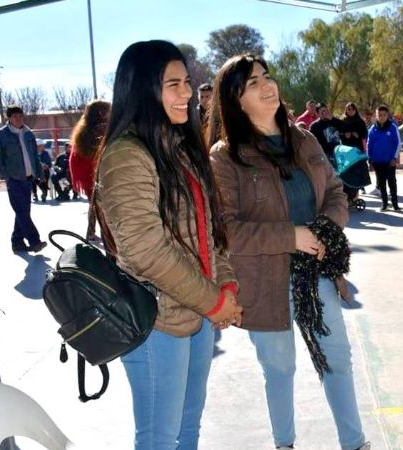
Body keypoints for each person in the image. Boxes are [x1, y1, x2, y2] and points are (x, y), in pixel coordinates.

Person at [209, 54, 370, 450]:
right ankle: (285, 445)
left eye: (267, 76)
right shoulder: (224, 156)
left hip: (317, 275)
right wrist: (291, 236)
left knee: (338, 362)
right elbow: (227, 230)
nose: (267, 86)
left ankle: (355, 443)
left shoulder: (304, 138)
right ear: (235, 101)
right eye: (252, 83)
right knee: (279, 370)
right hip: (265, 285)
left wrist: (325, 227)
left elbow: (335, 192)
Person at [95, 40, 242, 450]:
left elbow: (208, 232)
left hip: (195, 317)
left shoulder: (178, 150)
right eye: (172, 84)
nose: (187, 93)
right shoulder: (126, 156)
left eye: (187, 83)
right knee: (161, 438)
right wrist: (214, 301)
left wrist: (225, 285)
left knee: (187, 429)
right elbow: (146, 250)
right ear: (143, 90)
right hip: (157, 323)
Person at [0, 105, 47, 253]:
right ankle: (34, 241)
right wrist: (7, 175)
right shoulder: (1, 135)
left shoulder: (28, 133)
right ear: (9, 118)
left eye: (20, 116)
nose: (19, 119)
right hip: (14, 180)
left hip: (28, 179)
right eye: (15, 116)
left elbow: (34, 156)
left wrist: (40, 175)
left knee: (23, 212)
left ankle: (17, 242)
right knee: (22, 212)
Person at [70, 99, 110, 241]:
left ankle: (91, 232)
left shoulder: (82, 131)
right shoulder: (103, 130)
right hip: (100, 176)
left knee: (94, 206)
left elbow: (75, 157)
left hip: (89, 177)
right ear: (101, 113)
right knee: (103, 210)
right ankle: (106, 238)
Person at [366, 105, 401, 212]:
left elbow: (398, 143)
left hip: (390, 161)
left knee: (392, 182)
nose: (382, 117)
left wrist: (394, 158)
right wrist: (370, 159)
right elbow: (369, 144)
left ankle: (395, 204)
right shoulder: (372, 129)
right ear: (376, 116)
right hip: (377, 162)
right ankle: (384, 204)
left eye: (384, 115)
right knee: (381, 184)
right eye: (379, 115)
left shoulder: (392, 127)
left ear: (387, 115)